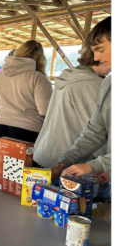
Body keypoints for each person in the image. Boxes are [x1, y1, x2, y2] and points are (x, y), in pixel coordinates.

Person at [34, 36, 111, 170]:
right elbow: (97, 132)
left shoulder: (69, 77)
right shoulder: (91, 84)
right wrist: (100, 166)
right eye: (98, 51)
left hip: (48, 151)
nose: (99, 57)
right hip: (71, 161)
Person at [51, 17, 112, 184]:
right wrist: (65, 161)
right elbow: (94, 132)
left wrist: (93, 165)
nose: (97, 58)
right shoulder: (107, 84)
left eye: (100, 49)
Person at [0, 40, 53, 169]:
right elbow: (45, 110)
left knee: (2, 173)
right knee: (25, 176)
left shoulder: (0, 75)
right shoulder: (38, 78)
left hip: (0, 126)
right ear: (40, 58)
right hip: (27, 130)